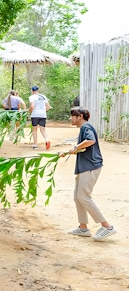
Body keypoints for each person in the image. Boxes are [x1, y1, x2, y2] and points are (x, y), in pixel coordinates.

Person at [59, 107, 116, 241]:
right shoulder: (83, 129)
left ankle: (107, 226)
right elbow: (84, 147)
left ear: (80, 116)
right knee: (77, 197)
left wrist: (75, 148)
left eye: (73, 115)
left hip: (90, 166)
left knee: (83, 196)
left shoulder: (86, 127)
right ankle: (83, 227)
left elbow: (91, 141)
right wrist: (69, 151)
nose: (71, 118)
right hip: (84, 167)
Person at [28, 85, 51, 150]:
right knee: (42, 129)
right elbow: (48, 107)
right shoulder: (43, 97)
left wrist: (29, 111)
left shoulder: (32, 97)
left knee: (34, 129)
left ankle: (35, 145)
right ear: (38, 90)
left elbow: (32, 106)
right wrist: (43, 110)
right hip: (43, 115)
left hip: (35, 114)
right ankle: (47, 140)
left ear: (32, 91)